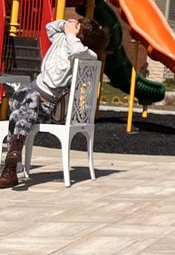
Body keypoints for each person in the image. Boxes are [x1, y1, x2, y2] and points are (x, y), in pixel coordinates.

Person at [0, 15, 109, 189]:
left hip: (46, 108)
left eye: (77, 26)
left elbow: (76, 51)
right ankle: (12, 160)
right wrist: (66, 25)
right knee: (29, 97)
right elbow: (50, 27)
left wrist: (72, 35)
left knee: (24, 107)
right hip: (25, 99)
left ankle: (11, 165)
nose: (72, 25)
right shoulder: (61, 38)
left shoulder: (86, 53)